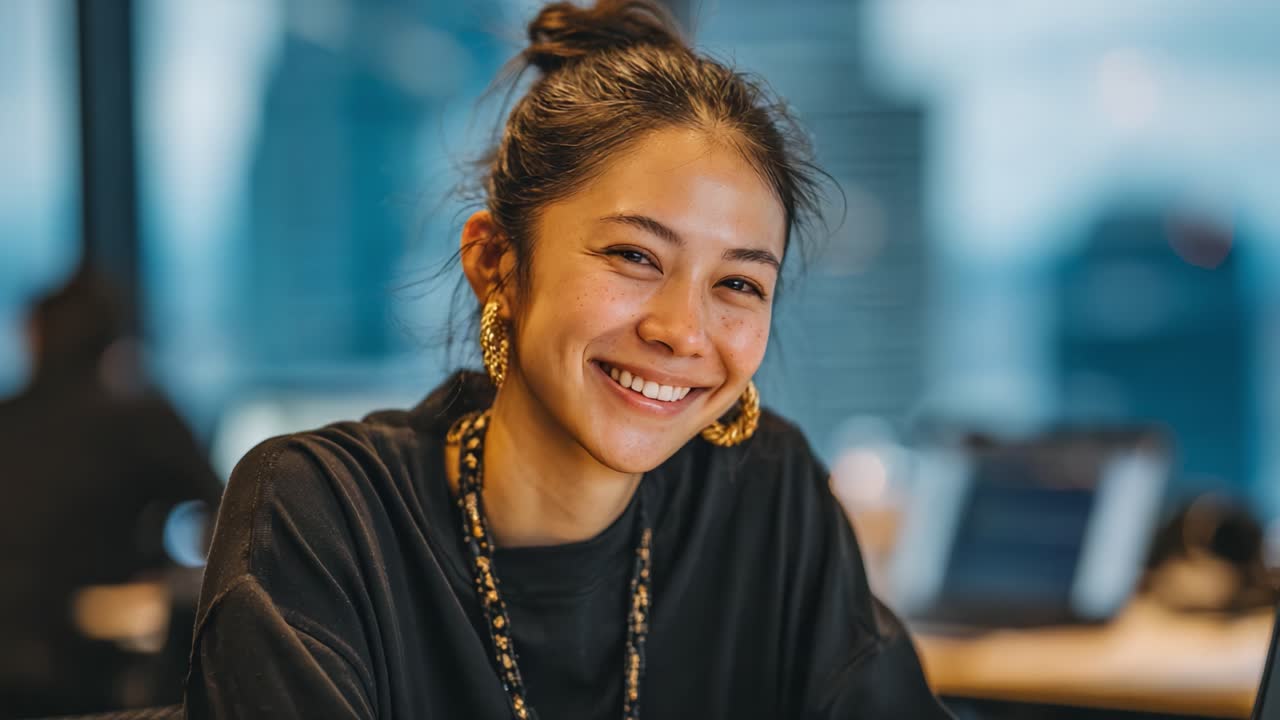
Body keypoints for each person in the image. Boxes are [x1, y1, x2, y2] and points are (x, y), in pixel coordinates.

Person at [184, 1, 953, 717]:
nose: (683, 332)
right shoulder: (326, 516)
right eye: (633, 255)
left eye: (738, 284)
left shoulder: (767, 496)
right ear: (496, 263)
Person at [0, 269, 223, 717]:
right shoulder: (141, 418)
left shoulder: (7, 420)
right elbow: (230, 513)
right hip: (96, 660)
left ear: (34, 336)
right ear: (113, 342)